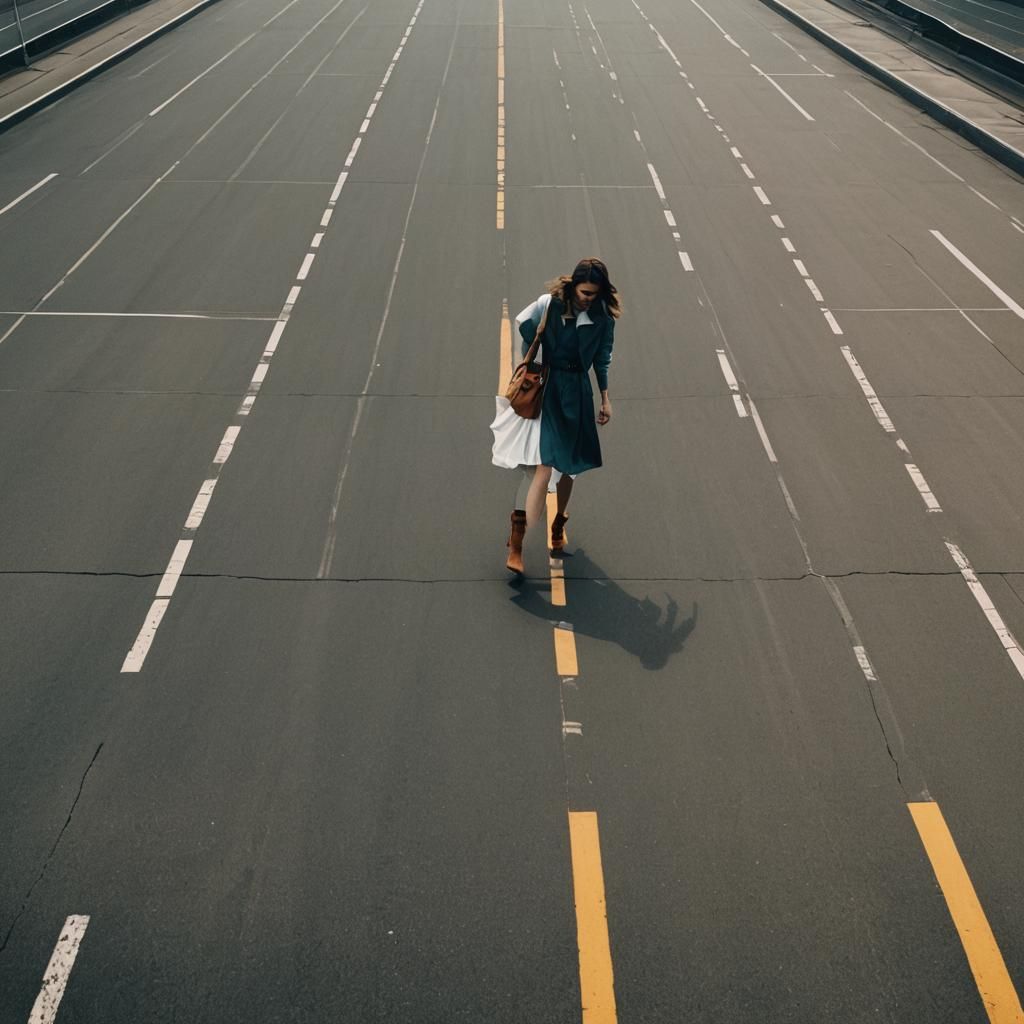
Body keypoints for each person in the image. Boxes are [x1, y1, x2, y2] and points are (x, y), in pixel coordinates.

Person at [490, 257, 621, 574]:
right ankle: (517, 544)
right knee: (541, 466)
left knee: (568, 468)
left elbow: (601, 359)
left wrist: (605, 399)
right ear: (573, 286)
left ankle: (559, 521)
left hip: (577, 393)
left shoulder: (603, 319)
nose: (588, 299)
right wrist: (529, 369)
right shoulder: (548, 304)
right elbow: (526, 331)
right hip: (547, 389)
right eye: (585, 292)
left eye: (594, 294)